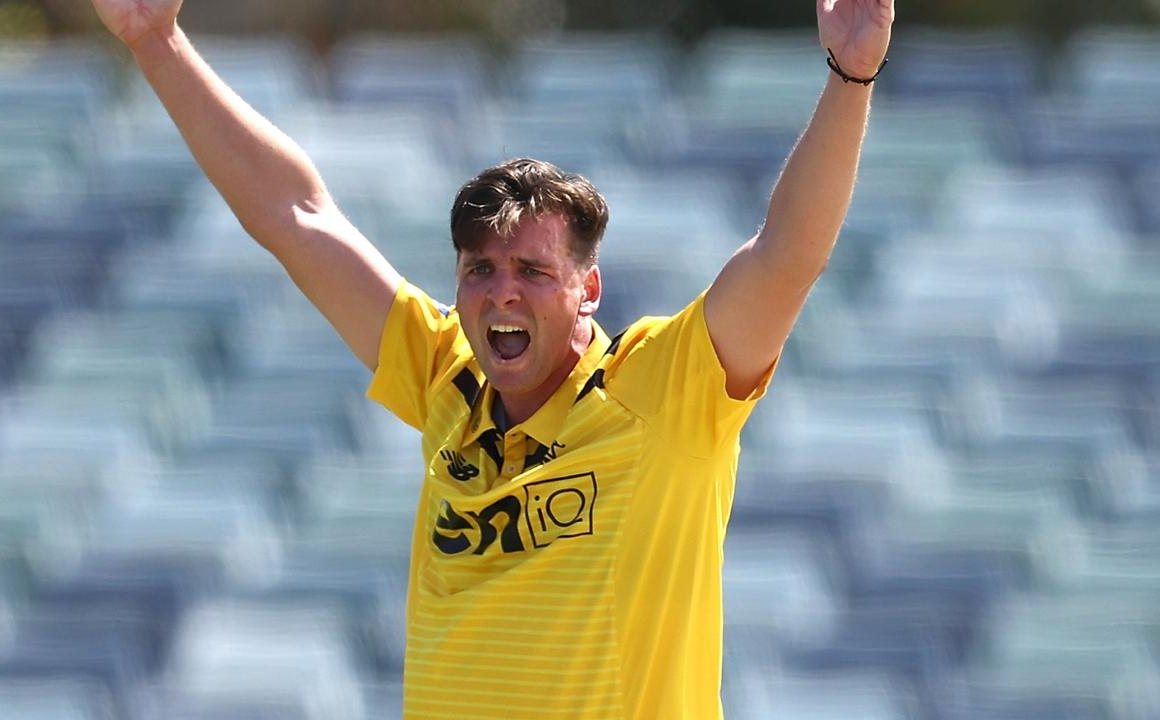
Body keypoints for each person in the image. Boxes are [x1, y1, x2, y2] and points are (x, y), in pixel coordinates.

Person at [89, 0, 894, 717]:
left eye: (533, 271)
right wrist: (159, 43)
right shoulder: (446, 379)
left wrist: (849, 77)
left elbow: (786, 256)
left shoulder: (662, 389)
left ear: (589, 290)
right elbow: (296, 214)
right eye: (480, 270)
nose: (500, 294)